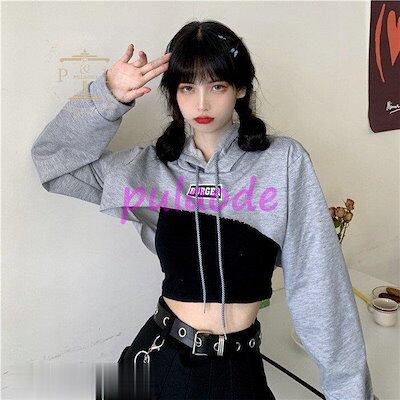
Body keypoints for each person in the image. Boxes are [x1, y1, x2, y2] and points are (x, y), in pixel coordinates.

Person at [31, 20, 376, 400]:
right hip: (156, 361)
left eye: (217, 86)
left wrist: (350, 392)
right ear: (172, 94)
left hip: (239, 368)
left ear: (240, 88)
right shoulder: (149, 168)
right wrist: (108, 96)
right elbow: (53, 163)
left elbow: (320, 283)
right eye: (187, 87)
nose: (201, 104)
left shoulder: (284, 163)